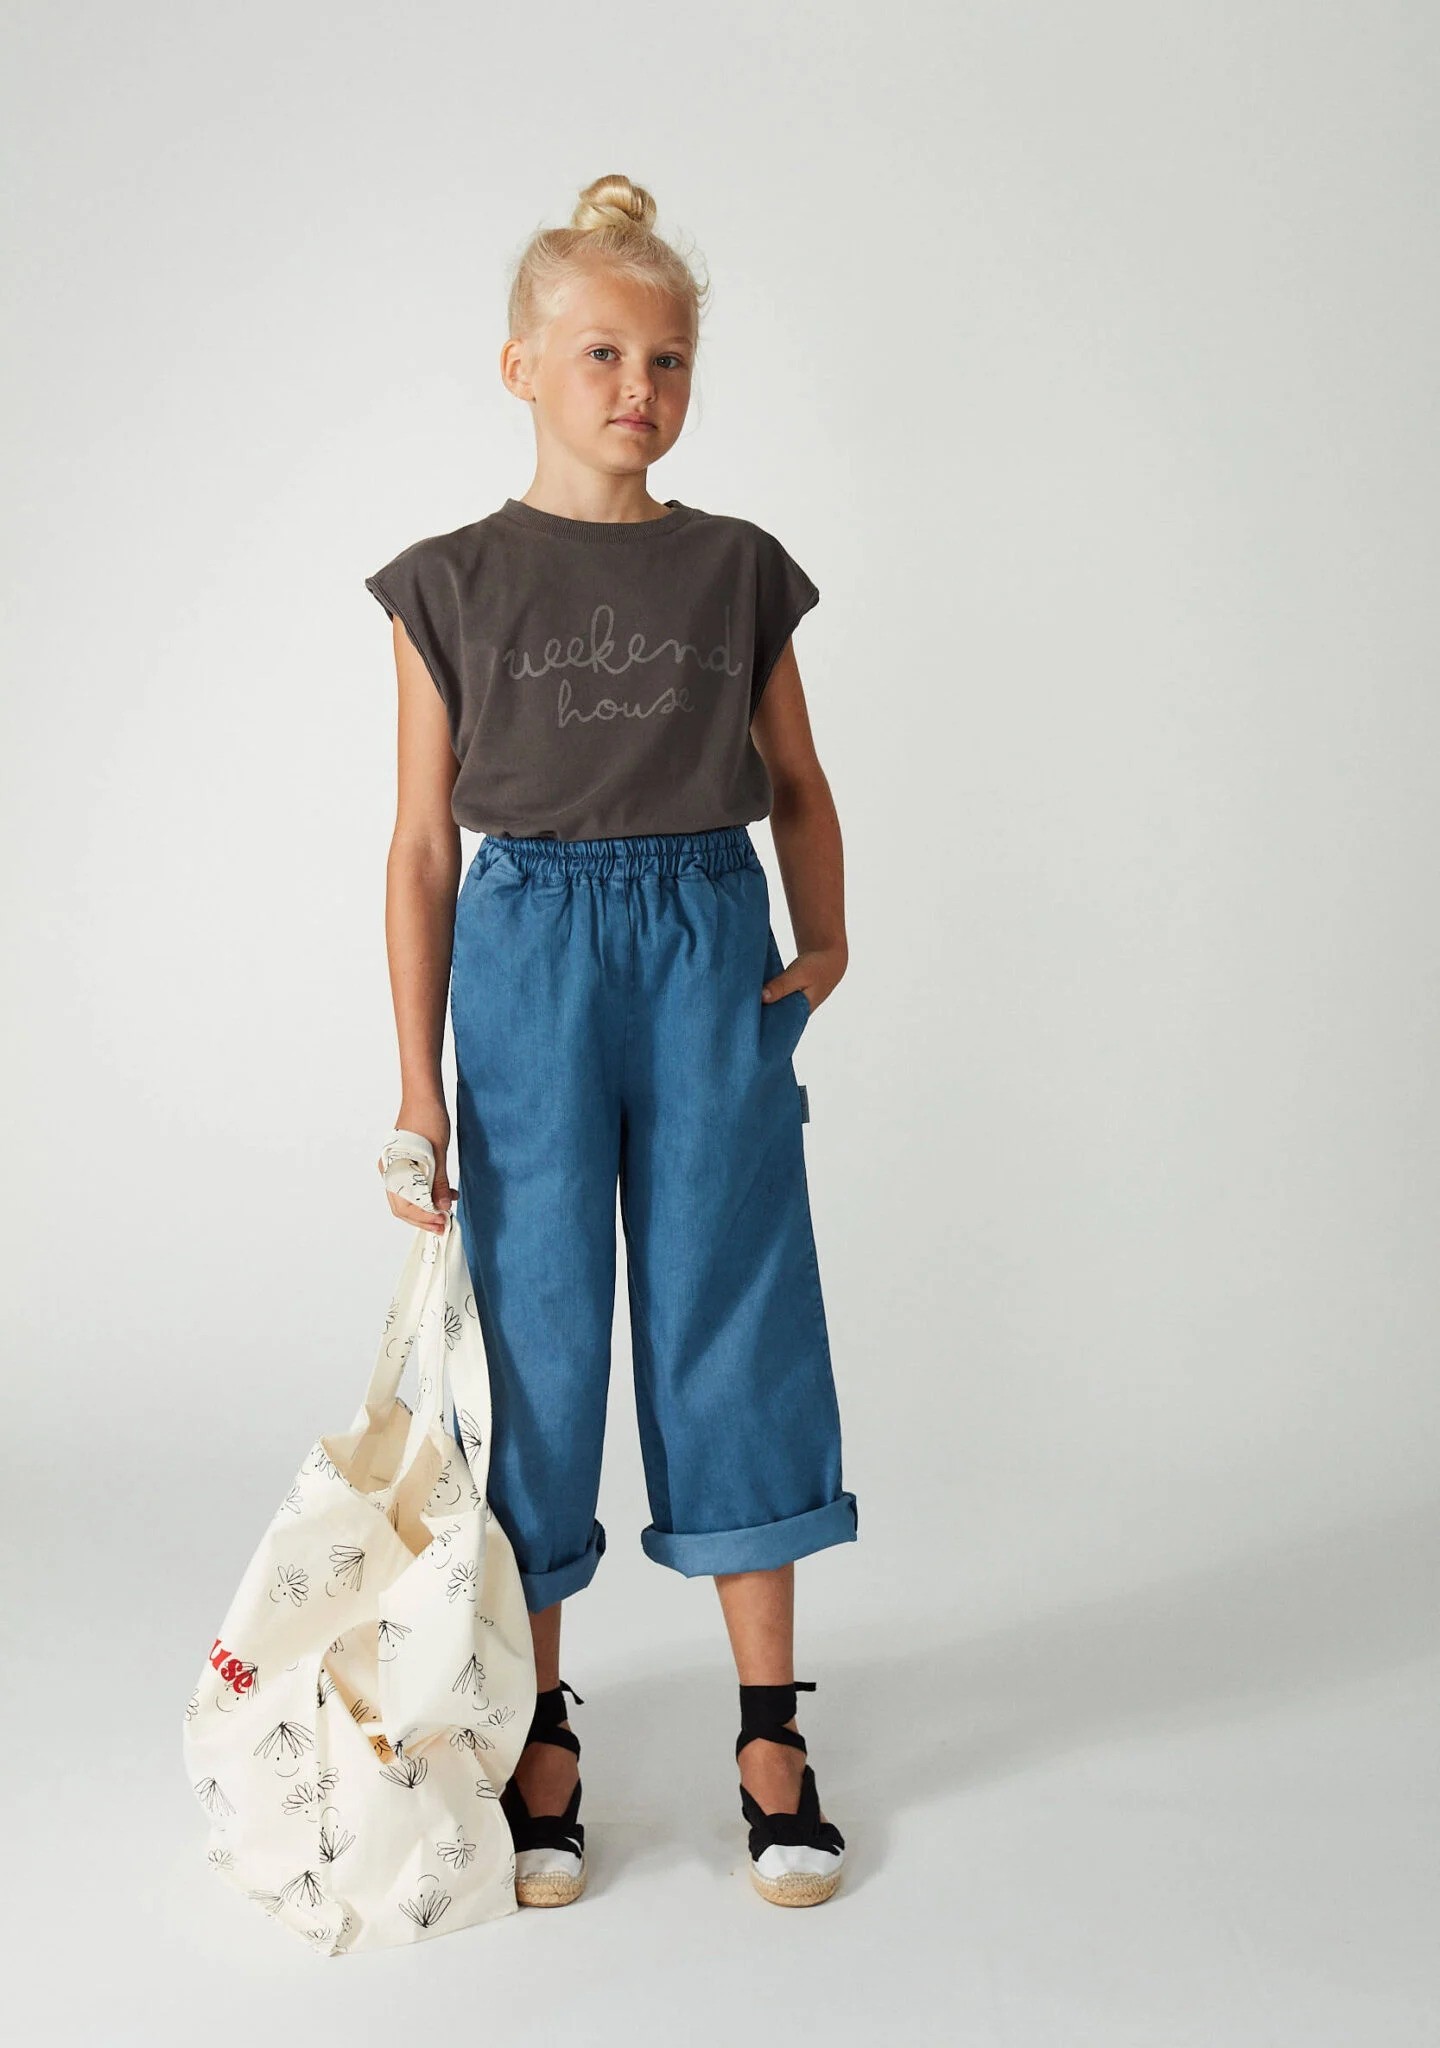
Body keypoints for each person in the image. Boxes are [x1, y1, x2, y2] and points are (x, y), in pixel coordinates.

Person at [365, 172, 857, 1911]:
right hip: (528, 963)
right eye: (599, 353)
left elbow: (798, 782)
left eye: (667, 359)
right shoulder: (448, 584)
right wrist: (418, 1083)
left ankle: (771, 1731)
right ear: (519, 365)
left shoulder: (736, 569)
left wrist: (826, 937)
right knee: (538, 1332)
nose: (636, 386)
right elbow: (423, 847)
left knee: (737, 1307)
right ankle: (542, 1724)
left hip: (707, 945)